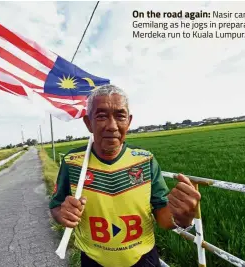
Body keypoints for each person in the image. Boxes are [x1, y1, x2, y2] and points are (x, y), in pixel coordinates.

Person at [49, 84, 201, 267]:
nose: (112, 126)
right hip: (93, 261)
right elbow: (56, 206)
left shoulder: (145, 160)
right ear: (88, 123)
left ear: (128, 122)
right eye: (101, 116)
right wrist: (62, 214)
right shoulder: (73, 162)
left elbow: (163, 217)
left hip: (144, 260)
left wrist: (183, 218)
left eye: (120, 116)